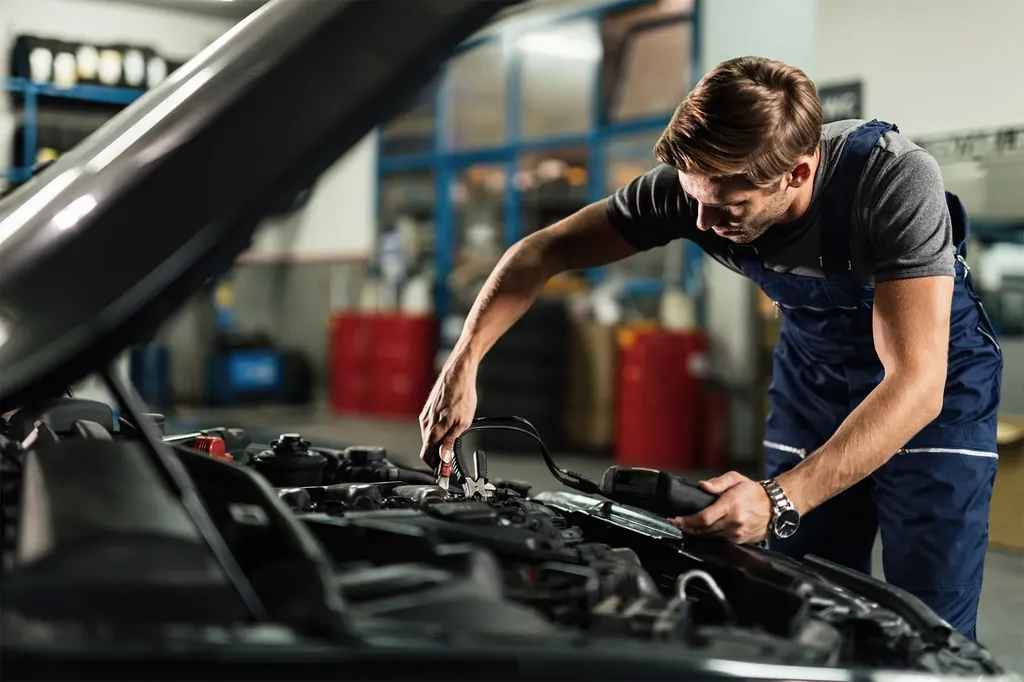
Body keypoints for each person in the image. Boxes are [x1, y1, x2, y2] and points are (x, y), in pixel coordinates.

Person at [418, 56, 1002, 639]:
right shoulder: (693, 191)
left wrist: (777, 497)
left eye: (728, 206)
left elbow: (916, 384)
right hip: (814, 381)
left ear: (796, 174)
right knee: (797, 602)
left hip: (935, 397)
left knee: (928, 623)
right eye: (695, 196)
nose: (701, 219)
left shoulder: (892, 181)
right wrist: (463, 361)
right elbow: (540, 252)